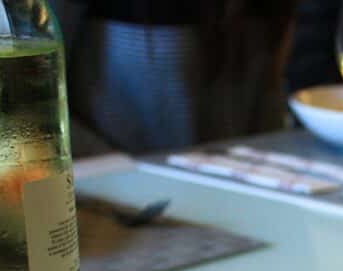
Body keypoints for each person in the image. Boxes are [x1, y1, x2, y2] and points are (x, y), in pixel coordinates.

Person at [50, 0, 297, 157]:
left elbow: (267, 111)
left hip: (239, 199)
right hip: (121, 204)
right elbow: (22, 104)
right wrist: (126, 170)